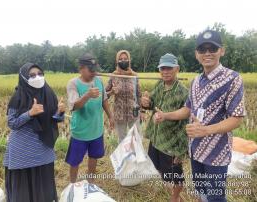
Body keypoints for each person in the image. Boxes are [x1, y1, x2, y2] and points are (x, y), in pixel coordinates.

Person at [153, 30, 246, 202]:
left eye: (213, 48)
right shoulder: (196, 81)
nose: (208, 53)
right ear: (197, 54)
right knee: (201, 192)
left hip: (217, 155)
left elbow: (237, 118)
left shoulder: (232, 79)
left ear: (222, 51)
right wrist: (165, 115)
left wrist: (206, 130)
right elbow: (188, 109)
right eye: (203, 49)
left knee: (216, 197)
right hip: (195, 151)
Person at [4, 62, 65, 202]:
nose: (37, 77)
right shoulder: (18, 97)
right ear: (24, 78)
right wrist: (30, 113)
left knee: (43, 184)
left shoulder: (48, 93)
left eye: (40, 74)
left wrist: (59, 112)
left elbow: (53, 119)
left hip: (43, 148)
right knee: (24, 189)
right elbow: (12, 123)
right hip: (22, 151)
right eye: (32, 75)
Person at [141, 53, 188, 202]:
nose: (165, 72)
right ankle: (169, 187)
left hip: (172, 142)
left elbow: (187, 114)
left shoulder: (182, 91)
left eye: (169, 68)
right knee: (159, 167)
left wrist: (166, 115)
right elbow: (151, 104)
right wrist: (145, 102)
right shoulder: (159, 85)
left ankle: (175, 198)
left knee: (176, 175)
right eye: (163, 68)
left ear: (177, 69)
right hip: (156, 138)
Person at [66, 53, 114, 183]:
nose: (94, 72)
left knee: (94, 157)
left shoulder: (99, 81)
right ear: (81, 68)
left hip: (97, 130)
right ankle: (72, 184)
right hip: (80, 133)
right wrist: (87, 95)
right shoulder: (73, 84)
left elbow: (104, 100)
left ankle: (91, 183)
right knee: (75, 161)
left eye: (95, 69)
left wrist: (111, 116)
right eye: (90, 69)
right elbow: (74, 106)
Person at [105, 50, 141, 143]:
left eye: (125, 59)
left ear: (129, 60)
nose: (123, 61)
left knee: (136, 139)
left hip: (133, 112)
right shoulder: (114, 75)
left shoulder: (134, 76)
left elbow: (139, 94)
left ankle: (136, 157)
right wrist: (112, 92)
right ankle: (124, 157)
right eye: (120, 59)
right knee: (122, 140)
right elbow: (105, 95)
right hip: (119, 113)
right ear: (117, 61)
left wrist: (143, 111)